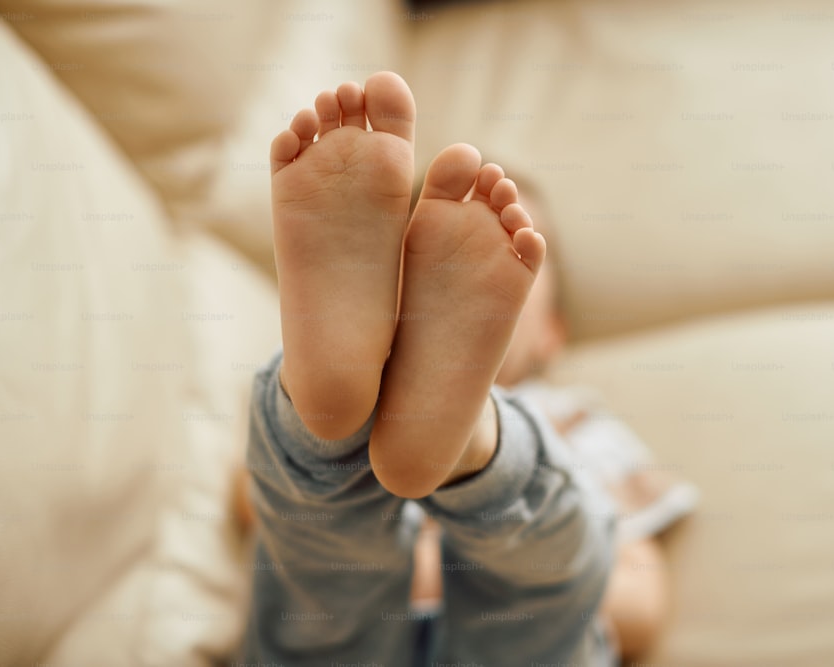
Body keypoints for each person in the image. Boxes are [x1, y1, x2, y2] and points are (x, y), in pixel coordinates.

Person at [240, 71, 694, 666]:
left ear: (552, 333)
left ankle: (466, 444)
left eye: (516, 268)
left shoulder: (578, 418)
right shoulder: (569, 423)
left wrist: (437, 565)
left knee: (320, 548)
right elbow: (247, 498)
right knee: (319, 532)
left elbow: (639, 603)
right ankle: (348, 430)